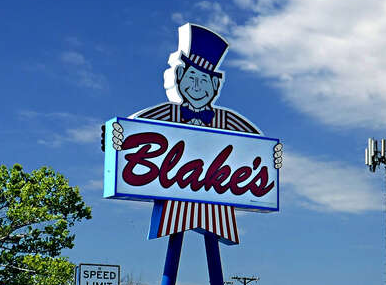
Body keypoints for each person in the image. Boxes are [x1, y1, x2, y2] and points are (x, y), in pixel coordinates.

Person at [111, 23, 282, 245]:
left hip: (216, 204)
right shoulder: (169, 112)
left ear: (215, 85)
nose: (197, 86)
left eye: (203, 81)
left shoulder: (226, 119)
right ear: (179, 77)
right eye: (192, 78)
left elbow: (259, 142)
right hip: (175, 202)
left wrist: (273, 155)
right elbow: (131, 128)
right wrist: (114, 137)